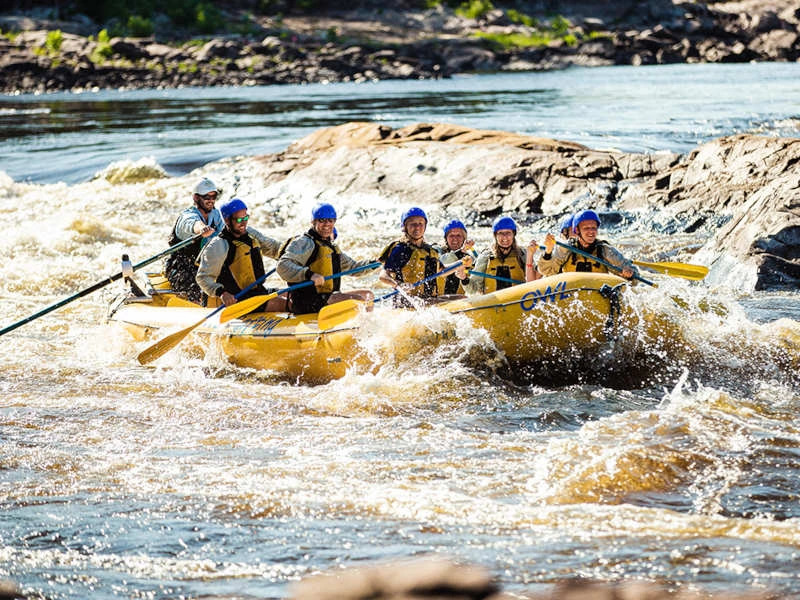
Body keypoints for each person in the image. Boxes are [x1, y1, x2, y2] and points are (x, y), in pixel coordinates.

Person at [276, 203, 375, 315]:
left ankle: (364, 327)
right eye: (322, 220)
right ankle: (359, 328)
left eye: (330, 220)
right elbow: (282, 266)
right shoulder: (304, 242)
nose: (327, 224)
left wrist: (377, 262)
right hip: (307, 300)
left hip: (327, 297)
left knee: (368, 295)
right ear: (313, 222)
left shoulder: (330, 247)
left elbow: (353, 267)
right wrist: (309, 274)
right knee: (359, 300)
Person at [196, 197, 287, 311]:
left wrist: (294, 252)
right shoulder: (218, 245)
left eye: (246, 218)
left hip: (256, 292)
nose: (243, 223)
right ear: (227, 220)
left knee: (291, 295)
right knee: (282, 304)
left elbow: (274, 248)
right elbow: (203, 277)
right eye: (239, 220)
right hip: (235, 299)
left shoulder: (251, 234)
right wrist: (222, 293)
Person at [378, 207, 467, 305]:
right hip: (407, 300)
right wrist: (399, 285)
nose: (417, 227)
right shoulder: (401, 249)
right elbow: (383, 276)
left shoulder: (429, 250)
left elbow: (441, 271)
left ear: (425, 226)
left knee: (462, 298)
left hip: (427, 299)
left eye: (420, 223)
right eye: (413, 224)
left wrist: (461, 263)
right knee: (458, 301)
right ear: (404, 227)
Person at [164, 177, 224, 303]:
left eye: (214, 196)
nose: (211, 200)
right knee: (195, 288)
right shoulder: (187, 216)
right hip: (181, 268)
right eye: (207, 197)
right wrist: (202, 228)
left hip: (205, 266)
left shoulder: (216, 215)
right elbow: (193, 224)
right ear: (196, 198)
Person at [538, 209, 639, 279]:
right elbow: (546, 271)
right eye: (586, 228)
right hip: (571, 295)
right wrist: (548, 250)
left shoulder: (605, 250)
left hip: (597, 295)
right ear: (577, 230)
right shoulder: (566, 248)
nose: (591, 232)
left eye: (594, 228)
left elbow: (634, 277)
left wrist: (629, 273)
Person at [466, 216, 541, 295]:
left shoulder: (523, 254)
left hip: (518, 301)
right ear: (495, 236)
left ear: (513, 234)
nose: (505, 237)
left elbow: (535, 280)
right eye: (501, 233)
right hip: (492, 303)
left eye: (508, 233)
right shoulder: (485, 256)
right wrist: (463, 278)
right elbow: (472, 289)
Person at [438, 219, 476, 296]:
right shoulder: (437, 251)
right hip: (438, 299)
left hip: (459, 302)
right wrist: (462, 250)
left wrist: (464, 278)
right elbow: (444, 262)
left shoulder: (470, 258)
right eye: (451, 235)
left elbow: (473, 290)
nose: (455, 239)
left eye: (458, 235)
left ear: (464, 238)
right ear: (446, 238)